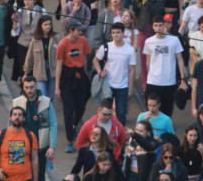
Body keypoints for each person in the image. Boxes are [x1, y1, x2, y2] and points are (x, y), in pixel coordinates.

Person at [142, 15, 188, 116]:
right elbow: (147, 62)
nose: (158, 28)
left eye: (160, 25)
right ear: (153, 27)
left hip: (169, 82)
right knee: (150, 112)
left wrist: (183, 79)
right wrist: (148, 78)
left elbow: (180, 60)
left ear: (164, 26)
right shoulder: (148, 41)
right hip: (153, 82)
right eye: (156, 25)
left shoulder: (174, 40)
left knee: (167, 112)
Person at [56, 20, 91, 153]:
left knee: (81, 107)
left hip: (80, 74)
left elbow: (86, 60)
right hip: (67, 76)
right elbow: (59, 65)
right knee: (68, 110)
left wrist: (85, 75)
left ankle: (74, 125)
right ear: (70, 30)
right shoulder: (63, 44)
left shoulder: (83, 41)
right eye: (77, 30)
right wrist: (57, 87)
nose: (80, 32)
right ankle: (70, 140)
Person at [93, 23, 138, 126]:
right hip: (107, 86)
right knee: (104, 112)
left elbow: (132, 70)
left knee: (121, 114)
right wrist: (100, 72)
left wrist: (130, 89)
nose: (115, 35)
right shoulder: (106, 47)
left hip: (123, 86)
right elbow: (95, 60)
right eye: (113, 32)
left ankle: (120, 137)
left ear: (123, 33)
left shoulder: (129, 50)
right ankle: (105, 133)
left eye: (118, 32)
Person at [13, 77, 57, 181]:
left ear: (36, 86)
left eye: (31, 87)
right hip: (19, 147)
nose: (29, 90)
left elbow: (53, 124)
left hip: (40, 149)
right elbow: (11, 126)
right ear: (23, 87)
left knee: (39, 177)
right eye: (26, 87)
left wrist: (52, 147)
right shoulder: (16, 103)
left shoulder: (46, 102)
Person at [0, 107, 39, 181]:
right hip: (5, 178)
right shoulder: (0, 135)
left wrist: (35, 179)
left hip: (26, 178)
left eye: (20, 115)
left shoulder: (31, 136)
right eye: (14, 114)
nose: (17, 117)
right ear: (10, 117)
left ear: (24, 118)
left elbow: (34, 159)